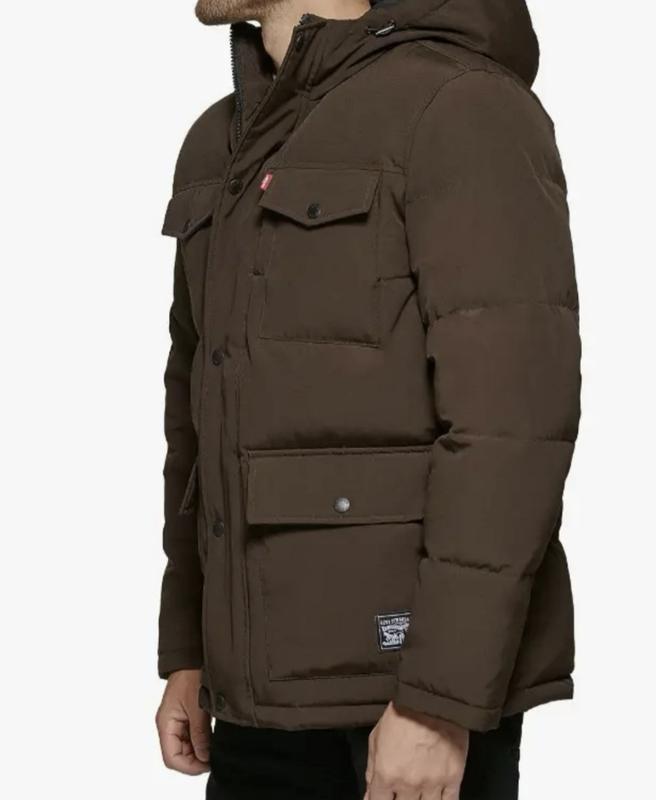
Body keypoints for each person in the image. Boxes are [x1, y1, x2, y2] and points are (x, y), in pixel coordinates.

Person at [155, 0, 581, 797]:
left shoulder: (458, 106)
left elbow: (512, 430)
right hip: (254, 696)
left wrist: (440, 700)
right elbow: (197, 415)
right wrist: (189, 647)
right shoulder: (221, 139)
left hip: (407, 701)